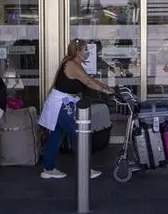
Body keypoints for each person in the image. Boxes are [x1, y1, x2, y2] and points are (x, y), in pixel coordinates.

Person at [38, 38, 114, 179]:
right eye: (86, 49)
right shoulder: (72, 65)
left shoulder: (76, 64)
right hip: (61, 104)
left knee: (56, 136)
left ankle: (48, 169)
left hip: (63, 103)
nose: (88, 52)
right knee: (81, 134)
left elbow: (88, 79)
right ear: (78, 52)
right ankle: (84, 170)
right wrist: (105, 90)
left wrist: (105, 87)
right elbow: (87, 81)